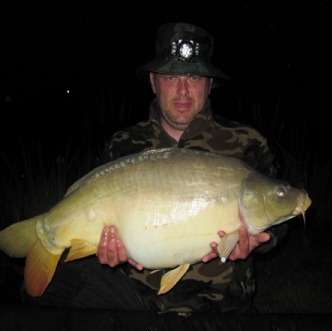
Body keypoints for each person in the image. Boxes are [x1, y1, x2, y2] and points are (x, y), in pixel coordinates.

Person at [22, 22, 287, 312]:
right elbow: (96, 220)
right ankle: (46, 236)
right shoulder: (123, 144)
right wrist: (105, 253)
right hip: (134, 298)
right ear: (153, 82)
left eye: (194, 77)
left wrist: (260, 241)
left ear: (210, 84)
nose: (183, 91)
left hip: (223, 302)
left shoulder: (246, 143)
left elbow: (276, 211)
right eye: (171, 78)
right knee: (45, 294)